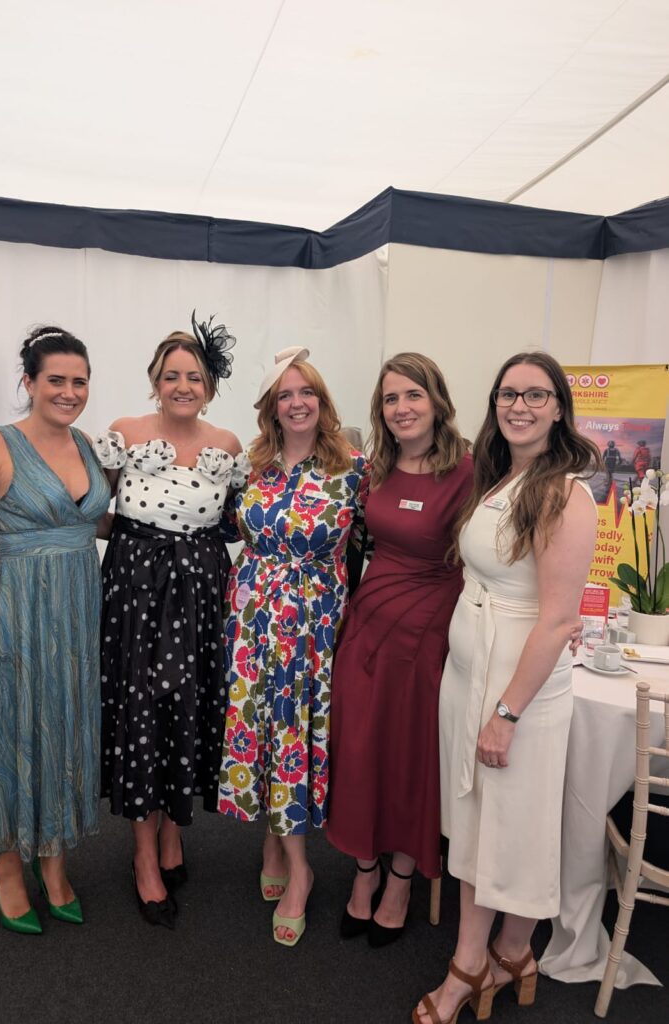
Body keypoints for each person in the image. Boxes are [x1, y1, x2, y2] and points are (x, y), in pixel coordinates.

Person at [413, 352, 599, 1024]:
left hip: (515, 688)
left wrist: (506, 713)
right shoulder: (502, 479)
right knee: (477, 824)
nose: (518, 406)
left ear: (557, 407)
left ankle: (476, 964)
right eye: (507, 394)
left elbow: (555, 620)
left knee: (508, 831)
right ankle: (508, 953)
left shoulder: (563, 493)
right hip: (472, 677)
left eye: (535, 395)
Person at [0, 326, 110, 934]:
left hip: (76, 607)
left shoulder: (88, 446)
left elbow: (92, 523)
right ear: (29, 383)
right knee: (17, 724)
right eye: (56, 380)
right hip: (16, 607)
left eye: (79, 381)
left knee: (68, 722)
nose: (69, 392)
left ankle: (55, 856)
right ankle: (8, 863)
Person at [94, 313, 244, 930]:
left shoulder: (229, 445)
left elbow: (239, 523)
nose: (184, 386)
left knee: (188, 703)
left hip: (202, 586)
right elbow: (93, 509)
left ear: (210, 386)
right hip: (137, 587)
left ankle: (174, 825)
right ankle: (142, 854)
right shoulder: (124, 432)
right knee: (141, 709)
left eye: (196, 377)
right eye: (172, 375)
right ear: (155, 381)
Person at [217, 347, 369, 947]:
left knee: (295, 734)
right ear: (271, 407)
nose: (298, 402)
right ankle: (274, 839)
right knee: (261, 731)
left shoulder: (354, 468)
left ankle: (301, 869)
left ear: (322, 401)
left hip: (313, 624)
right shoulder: (253, 465)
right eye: (285, 394)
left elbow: (392, 541)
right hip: (253, 618)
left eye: (307, 391)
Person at [328, 353, 473, 947]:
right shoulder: (376, 468)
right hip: (367, 621)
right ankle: (364, 868)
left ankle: (402, 877)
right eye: (390, 399)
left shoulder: (469, 470)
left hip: (430, 631)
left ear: (436, 400)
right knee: (359, 747)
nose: (402, 408)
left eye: (412, 395)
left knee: (411, 755)